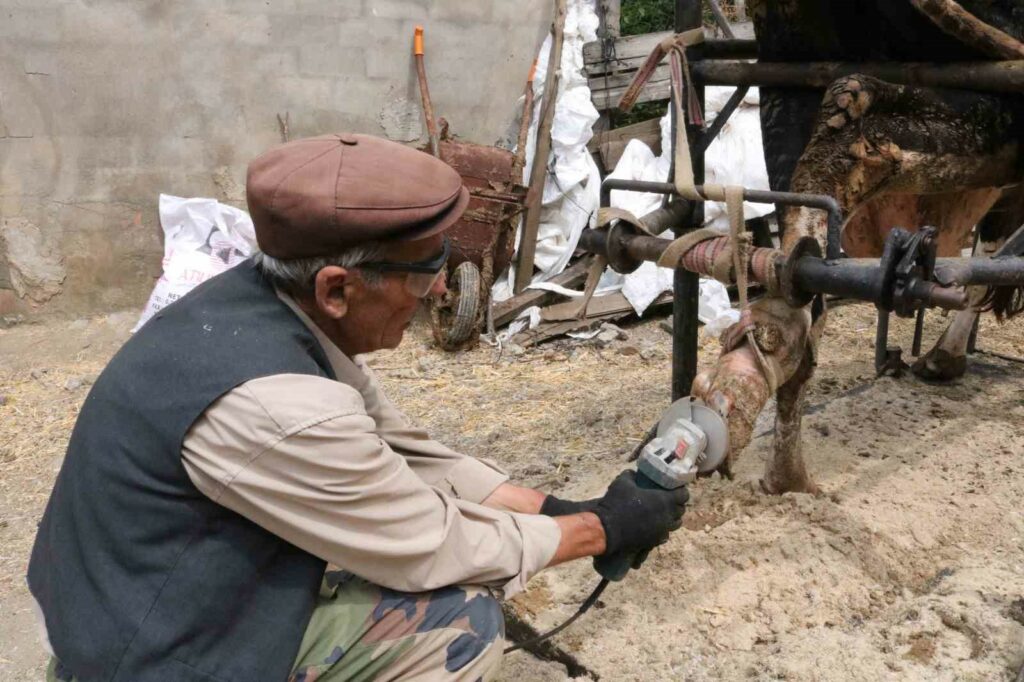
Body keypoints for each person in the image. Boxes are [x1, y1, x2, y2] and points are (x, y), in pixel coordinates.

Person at [28, 134, 689, 682]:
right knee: (459, 619)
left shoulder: (263, 306)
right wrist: (602, 532)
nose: (436, 293)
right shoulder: (277, 409)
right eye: (425, 273)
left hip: (138, 601)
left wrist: (554, 510)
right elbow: (430, 544)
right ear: (337, 287)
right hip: (142, 656)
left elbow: (403, 448)